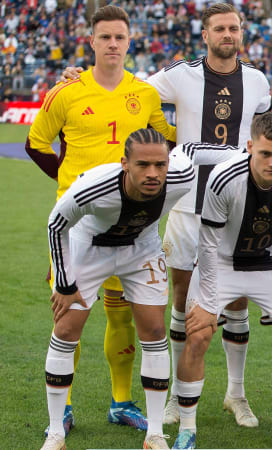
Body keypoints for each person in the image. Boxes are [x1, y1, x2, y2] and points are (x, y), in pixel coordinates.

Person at [62, 4, 272, 427]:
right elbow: (129, 88)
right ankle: (177, 395)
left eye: (234, 28)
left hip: (236, 205)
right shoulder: (180, 75)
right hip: (187, 205)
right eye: (219, 28)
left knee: (235, 300)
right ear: (205, 34)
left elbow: (266, 129)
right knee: (179, 297)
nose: (227, 34)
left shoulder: (258, 80)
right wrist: (78, 77)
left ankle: (236, 394)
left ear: (242, 33)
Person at [27, 5, 177, 436]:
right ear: (91, 42)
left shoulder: (145, 94)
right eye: (104, 37)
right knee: (68, 313)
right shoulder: (65, 92)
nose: (112, 44)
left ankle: (121, 401)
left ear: (129, 41)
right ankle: (66, 407)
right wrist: (68, 182)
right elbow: (36, 143)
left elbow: (164, 143)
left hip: (131, 225)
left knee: (122, 316)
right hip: (78, 227)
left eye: (119, 37)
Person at [40, 128, 195, 450]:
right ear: (124, 163)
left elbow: (196, 148)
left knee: (154, 330)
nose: (153, 173)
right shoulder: (93, 189)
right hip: (89, 248)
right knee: (67, 329)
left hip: (141, 249)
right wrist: (66, 285)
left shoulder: (182, 175)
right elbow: (56, 225)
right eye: (142, 165)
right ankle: (55, 432)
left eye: (160, 165)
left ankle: (154, 434)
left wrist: (245, 155)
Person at [171, 112, 272, 449]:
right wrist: (207, 303)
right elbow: (207, 244)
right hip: (220, 262)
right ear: (250, 147)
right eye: (265, 153)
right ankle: (187, 431)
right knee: (197, 333)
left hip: (266, 261)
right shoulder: (224, 178)